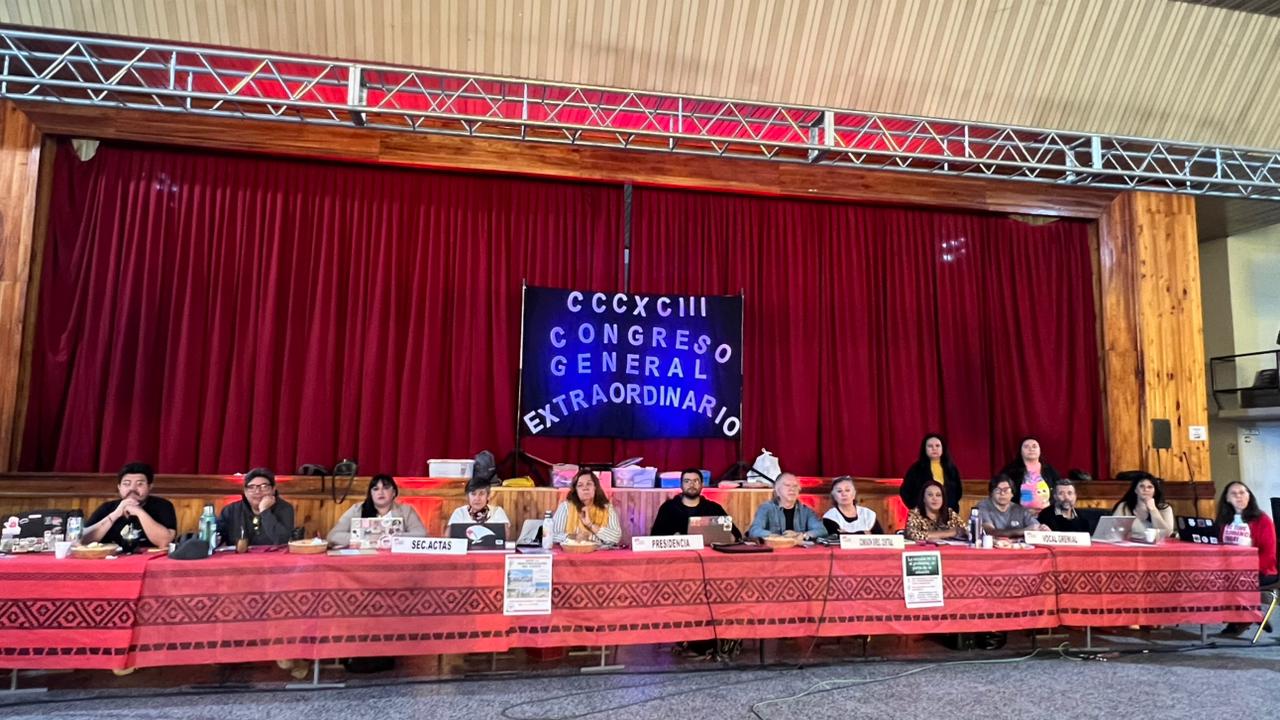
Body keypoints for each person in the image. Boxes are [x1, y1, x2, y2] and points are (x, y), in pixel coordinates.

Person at [1216, 481, 1278, 636]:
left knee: (1231, 579)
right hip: (1231, 569)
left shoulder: (1262, 520)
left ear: (1249, 496)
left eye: (1242, 492)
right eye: (1234, 494)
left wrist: (1246, 569)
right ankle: (1249, 614)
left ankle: (1245, 617)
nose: (1239, 496)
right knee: (1209, 578)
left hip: (1261, 569)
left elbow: (1269, 555)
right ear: (1227, 499)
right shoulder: (1224, 520)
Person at [81, 462, 177, 550]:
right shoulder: (107, 508)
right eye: (126, 484)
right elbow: (82, 541)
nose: (132, 488)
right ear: (119, 487)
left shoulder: (163, 506)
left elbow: (165, 542)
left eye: (140, 484)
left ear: (149, 487)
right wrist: (115, 515)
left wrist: (139, 512)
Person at [327, 474, 428, 547]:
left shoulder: (406, 511)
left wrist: (393, 537)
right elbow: (333, 536)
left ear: (394, 492)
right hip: (364, 558)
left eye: (385, 488)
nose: (380, 492)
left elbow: (421, 534)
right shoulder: (357, 510)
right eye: (376, 489)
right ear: (371, 493)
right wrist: (365, 537)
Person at [650, 468, 740, 538]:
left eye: (696, 481)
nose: (691, 485)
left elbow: (736, 535)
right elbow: (655, 537)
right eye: (687, 481)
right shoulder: (668, 508)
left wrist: (729, 538)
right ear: (681, 485)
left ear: (702, 484)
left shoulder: (714, 508)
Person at [216, 468, 295, 547]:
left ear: (273, 489)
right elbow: (216, 537)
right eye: (251, 487)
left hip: (273, 555)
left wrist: (264, 511)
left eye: (264, 486)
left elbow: (282, 540)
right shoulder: (230, 510)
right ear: (245, 491)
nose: (257, 491)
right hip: (238, 554)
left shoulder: (285, 509)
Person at [549, 469, 622, 545]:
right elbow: (552, 534)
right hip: (572, 551)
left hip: (599, 551)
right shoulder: (566, 507)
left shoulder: (607, 508)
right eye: (580, 485)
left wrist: (590, 525)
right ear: (576, 490)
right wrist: (574, 537)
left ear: (595, 487)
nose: (585, 488)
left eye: (589, 484)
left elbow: (616, 537)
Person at [747, 472, 827, 541]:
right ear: (777, 490)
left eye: (795, 486)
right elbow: (754, 531)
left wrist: (803, 535)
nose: (792, 489)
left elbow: (821, 530)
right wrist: (778, 537)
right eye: (787, 485)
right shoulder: (766, 508)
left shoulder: (806, 511)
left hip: (799, 550)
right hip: (776, 550)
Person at [900, 433, 963, 513]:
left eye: (937, 446)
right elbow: (905, 492)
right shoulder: (916, 469)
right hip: (923, 515)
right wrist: (918, 508)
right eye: (930, 446)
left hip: (948, 514)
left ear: (943, 448)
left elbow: (958, 492)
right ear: (924, 449)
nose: (934, 449)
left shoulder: (951, 468)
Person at [999, 436, 1061, 511]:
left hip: (1046, 513)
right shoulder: (1010, 471)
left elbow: (1059, 491)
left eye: (1034, 446)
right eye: (1026, 447)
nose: (1031, 449)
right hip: (1018, 513)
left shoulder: (1050, 470)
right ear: (1020, 451)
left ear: (1039, 450)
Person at [1109, 472, 1175, 539]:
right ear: (1135, 490)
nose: (1145, 489)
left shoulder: (1165, 509)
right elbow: (1112, 530)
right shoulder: (1124, 507)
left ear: (1155, 492)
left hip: (1157, 545)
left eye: (1150, 487)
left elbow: (1167, 534)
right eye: (1141, 486)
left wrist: (1153, 510)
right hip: (1130, 544)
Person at [977, 474, 1042, 538]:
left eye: (1006, 490)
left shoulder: (1020, 510)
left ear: (1012, 493)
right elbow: (990, 532)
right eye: (997, 490)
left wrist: (1042, 528)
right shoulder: (983, 507)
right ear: (991, 493)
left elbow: (1036, 527)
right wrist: (1023, 531)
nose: (1002, 493)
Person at [903, 480, 967, 542]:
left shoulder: (950, 513)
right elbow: (912, 534)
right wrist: (948, 533)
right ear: (923, 499)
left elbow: (965, 531)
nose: (934, 498)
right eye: (930, 495)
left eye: (938, 495)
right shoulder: (915, 513)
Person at [447, 475, 511, 527]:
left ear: (488, 496)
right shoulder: (460, 513)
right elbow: (449, 536)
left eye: (481, 494)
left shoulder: (497, 512)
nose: (477, 498)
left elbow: (505, 535)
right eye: (473, 494)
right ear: (467, 496)